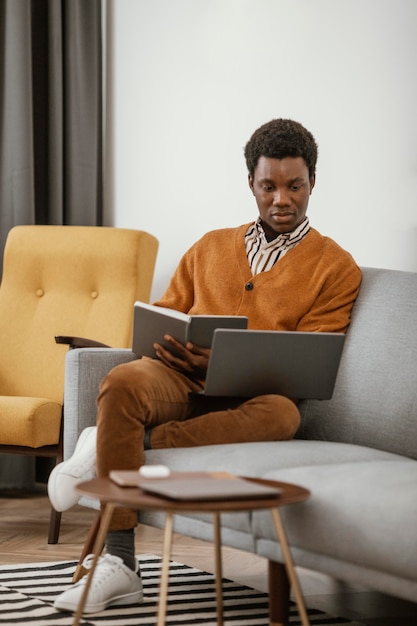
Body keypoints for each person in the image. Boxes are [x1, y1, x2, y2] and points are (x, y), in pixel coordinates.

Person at [49, 118, 361, 614]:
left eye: (294, 186)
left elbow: (313, 356)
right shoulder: (209, 246)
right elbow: (164, 314)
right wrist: (173, 344)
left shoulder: (336, 267)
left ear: (313, 183)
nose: (282, 199)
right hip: (180, 379)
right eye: (269, 186)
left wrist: (233, 360)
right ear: (251, 184)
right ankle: (123, 565)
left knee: (284, 416)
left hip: (253, 398)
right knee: (122, 382)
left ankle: (118, 442)